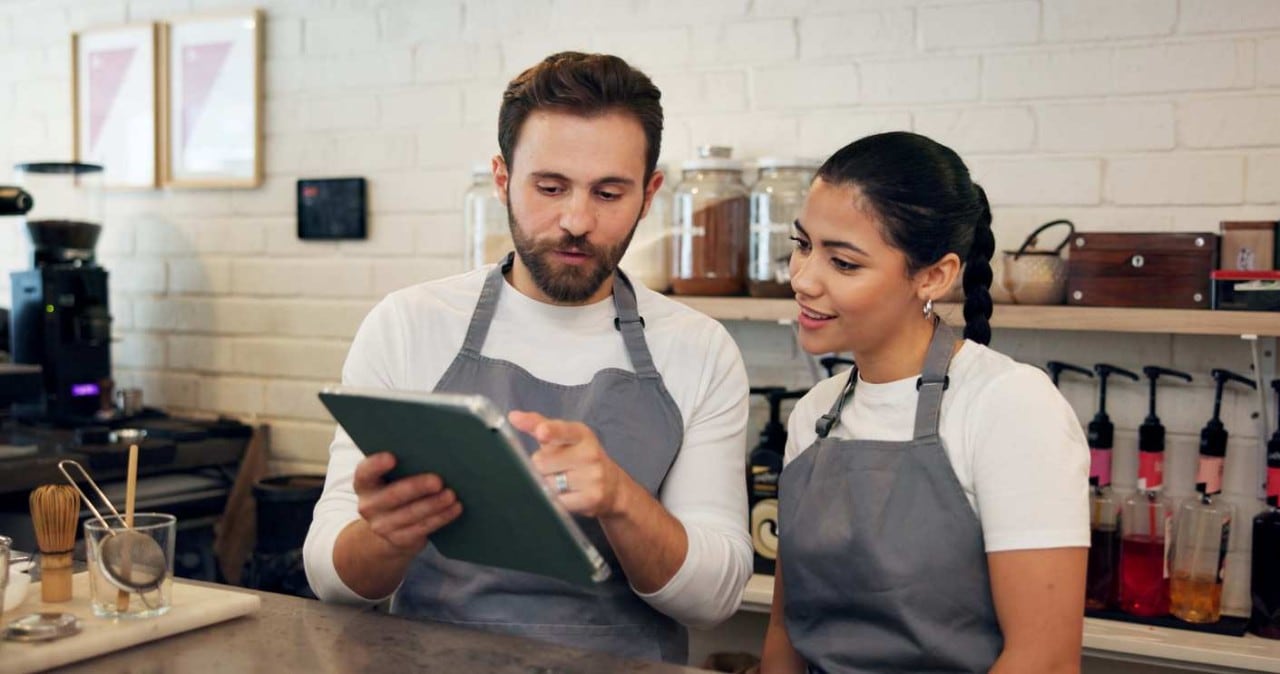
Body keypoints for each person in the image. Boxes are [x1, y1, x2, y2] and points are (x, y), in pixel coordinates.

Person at [302, 52, 752, 664]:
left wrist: (620, 500)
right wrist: (386, 536)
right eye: (549, 187)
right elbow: (329, 578)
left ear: (649, 194)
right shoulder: (409, 325)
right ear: (501, 178)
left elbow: (716, 598)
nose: (576, 220)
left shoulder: (698, 347)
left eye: (609, 192)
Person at [760, 132, 1089, 674]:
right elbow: (785, 632)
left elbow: (1044, 659)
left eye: (842, 263)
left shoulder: (1010, 407)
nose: (803, 278)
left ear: (934, 276)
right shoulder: (814, 414)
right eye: (802, 245)